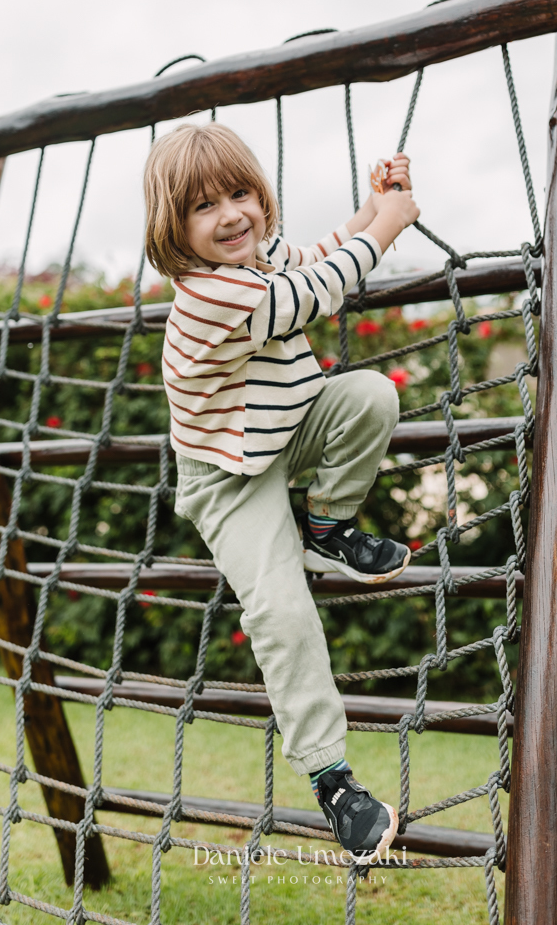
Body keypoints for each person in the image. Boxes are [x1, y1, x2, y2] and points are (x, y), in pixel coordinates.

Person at [144, 121, 420, 865]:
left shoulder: (259, 257)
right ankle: (333, 779)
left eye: (241, 193)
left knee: (367, 395)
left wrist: (371, 208)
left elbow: (322, 254)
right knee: (279, 607)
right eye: (206, 207)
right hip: (228, 477)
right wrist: (389, 230)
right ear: (175, 228)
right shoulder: (208, 295)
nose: (232, 214)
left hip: (283, 431)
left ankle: (328, 525)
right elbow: (316, 293)